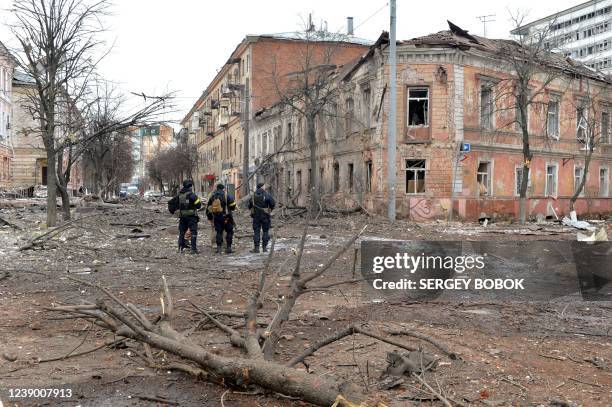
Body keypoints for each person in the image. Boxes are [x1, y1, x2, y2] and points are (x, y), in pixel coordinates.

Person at [206, 184, 237, 254]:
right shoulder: (227, 195)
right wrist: (230, 208)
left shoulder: (213, 196)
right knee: (229, 231)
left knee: (219, 232)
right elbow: (233, 206)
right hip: (226, 217)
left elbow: (208, 207)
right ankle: (228, 248)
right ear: (223, 188)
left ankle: (219, 248)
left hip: (217, 217)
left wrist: (210, 218)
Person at [174, 180, 202, 254]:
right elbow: (199, 206)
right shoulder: (192, 195)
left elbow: (175, 205)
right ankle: (193, 249)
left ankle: (180, 248)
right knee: (193, 232)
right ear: (190, 186)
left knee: (182, 232)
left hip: (182, 216)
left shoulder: (179, 194)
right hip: (191, 217)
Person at [248, 182, 275, 253]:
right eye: (264, 186)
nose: (265, 187)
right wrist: (270, 209)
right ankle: (264, 248)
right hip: (265, 216)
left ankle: (256, 248)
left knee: (256, 232)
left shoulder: (253, 195)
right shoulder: (267, 194)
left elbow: (249, 206)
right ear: (262, 187)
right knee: (265, 231)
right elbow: (272, 203)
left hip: (256, 216)